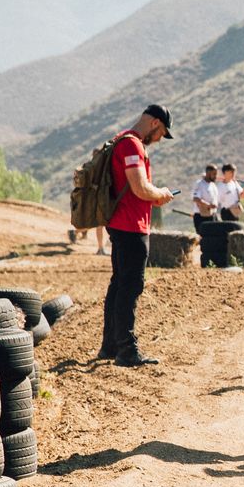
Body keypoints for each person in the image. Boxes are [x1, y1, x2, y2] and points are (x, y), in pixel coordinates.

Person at [97, 105, 176, 368]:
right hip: (131, 226)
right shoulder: (132, 145)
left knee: (118, 285)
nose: (160, 139)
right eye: (162, 132)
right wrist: (161, 194)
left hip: (121, 224)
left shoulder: (121, 139)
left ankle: (110, 346)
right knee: (130, 287)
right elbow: (140, 188)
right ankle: (127, 351)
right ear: (155, 123)